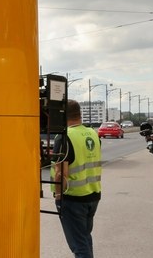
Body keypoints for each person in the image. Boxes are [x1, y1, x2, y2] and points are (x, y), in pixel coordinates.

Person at [51, 99, 101, 258]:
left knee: (79, 247)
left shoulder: (64, 137)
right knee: (85, 239)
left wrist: (59, 198)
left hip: (72, 199)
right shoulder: (93, 133)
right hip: (93, 196)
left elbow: (61, 173)